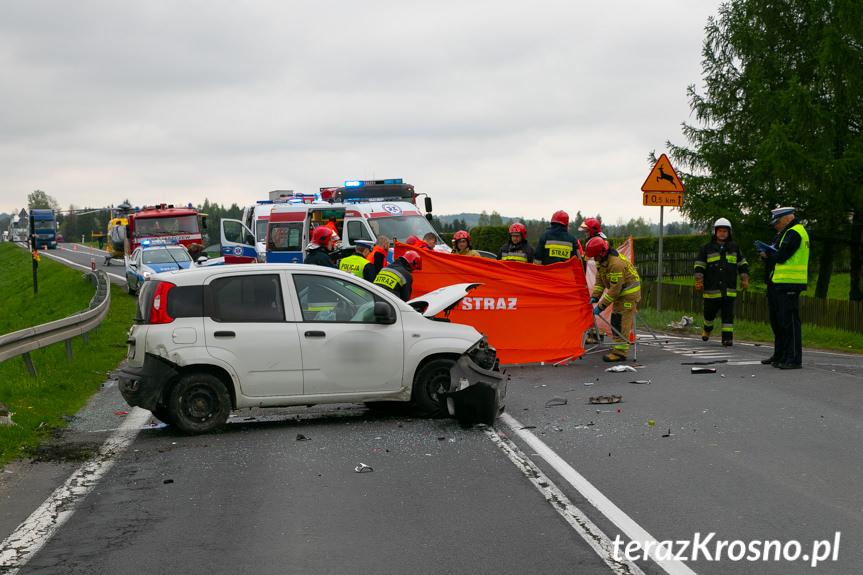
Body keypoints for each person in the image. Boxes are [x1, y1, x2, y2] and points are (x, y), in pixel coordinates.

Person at [758, 207, 809, 369]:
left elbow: (782, 255)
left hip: (790, 283)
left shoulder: (795, 232)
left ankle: (793, 358)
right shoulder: (784, 234)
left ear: (787, 218)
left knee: (789, 322)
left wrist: (768, 254)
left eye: (778, 222)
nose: (775, 226)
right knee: (778, 321)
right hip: (778, 282)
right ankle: (780, 354)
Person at [585, 236, 642, 362]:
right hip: (621, 293)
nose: (594, 259)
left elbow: (615, 289)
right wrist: (595, 297)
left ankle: (620, 353)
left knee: (621, 322)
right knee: (616, 320)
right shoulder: (602, 261)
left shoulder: (615, 264)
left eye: (595, 256)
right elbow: (600, 282)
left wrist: (601, 306)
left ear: (602, 252)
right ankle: (618, 350)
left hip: (628, 295)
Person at [694, 218, 749, 346]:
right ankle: (707, 329)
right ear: (715, 232)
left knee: (728, 317)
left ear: (729, 232)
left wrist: (744, 278)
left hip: (728, 290)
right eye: (720, 231)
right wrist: (698, 281)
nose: (722, 233)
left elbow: (742, 264)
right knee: (709, 315)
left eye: (725, 231)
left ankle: (727, 339)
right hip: (711, 290)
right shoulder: (706, 248)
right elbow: (699, 265)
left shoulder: (734, 247)